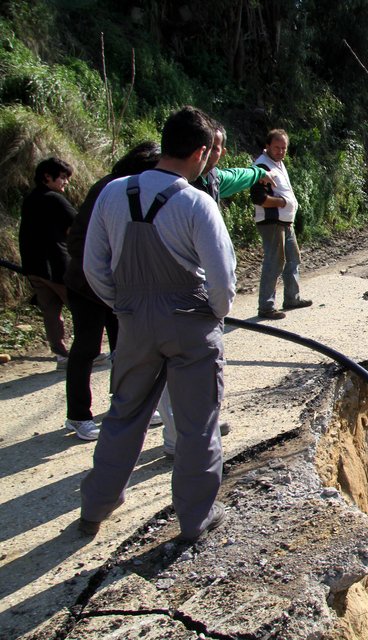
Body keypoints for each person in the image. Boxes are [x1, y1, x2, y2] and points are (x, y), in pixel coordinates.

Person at [80, 106, 235, 543]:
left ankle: (97, 504)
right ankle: (195, 519)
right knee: (196, 424)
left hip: (132, 323)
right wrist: (214, 314)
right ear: (201, 153)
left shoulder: (113, 193)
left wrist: (126, 305)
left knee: (124, 414)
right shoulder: (196, 202)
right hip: (190, 322)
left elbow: (94, 266)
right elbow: (222, 280)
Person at [155, 122, 276, 456]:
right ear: (199, 150)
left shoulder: (211, 180)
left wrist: (258, 173)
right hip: (184, 296)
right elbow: (218, 266)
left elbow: (239, 175)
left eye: (220, 147)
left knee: (191, 375)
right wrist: (218, 306)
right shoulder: (188, 196)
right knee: (172, 374)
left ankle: (189, 430)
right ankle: (179, 439)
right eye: (213, 148)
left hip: (166, 300)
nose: (216, 154)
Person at [63, 142, 161, 441]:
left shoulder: (136, 191)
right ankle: (78, 415)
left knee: (127, 347)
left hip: (119, 286)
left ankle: (124, 402)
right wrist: (103, 281)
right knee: (87, 349)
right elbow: (81, 242)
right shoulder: (110, 190)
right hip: (87, 285)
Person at [19, 157, 76, 369]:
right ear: (47, 177)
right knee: (82, 307)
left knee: (51, 313)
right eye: (62, 178)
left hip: (34, 267)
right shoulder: (55, 199)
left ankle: (61, 355)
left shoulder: (30, 199)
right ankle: (89, 352)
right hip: (57, 266)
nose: (65, 182)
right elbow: (76, 228)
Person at [250, 129, 312, 320]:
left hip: (285, 221)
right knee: (274, 262)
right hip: (272, 222)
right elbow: (258, 198)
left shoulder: (278, 164)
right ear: (267, 146)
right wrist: (282, 203)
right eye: (277, 147)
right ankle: (266, 307)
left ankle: (292, 298)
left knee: (293, 258)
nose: (281, 151)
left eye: (284, 148)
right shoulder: (262, 166)